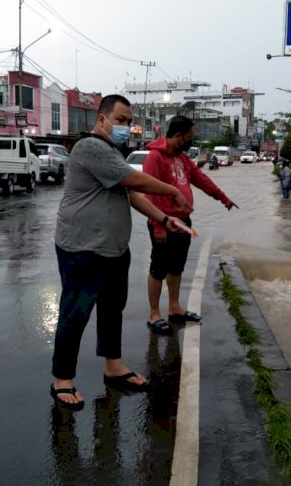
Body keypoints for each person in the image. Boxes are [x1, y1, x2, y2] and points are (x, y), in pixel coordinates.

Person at [51, 95, 188, 410]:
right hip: (82, 248)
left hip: (113, 249)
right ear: (102, 120)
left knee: (112, 310)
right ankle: (62, 379)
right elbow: (133, 179)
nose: (126, 126)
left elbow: (130, 194)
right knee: (75, 314)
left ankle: (113, 367)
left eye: (129, 121)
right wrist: (172, 191)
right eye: (121, 119)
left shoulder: (111, 153)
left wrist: (165, 218)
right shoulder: (90, 147)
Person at [142, 116, 238, 335]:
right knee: (158, 268)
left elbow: (201, 179)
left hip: (183, 222)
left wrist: (222, 198)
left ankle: (175, 307)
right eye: (189, 137)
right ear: (178, 136)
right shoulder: (155, 158)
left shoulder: (182, 158)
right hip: (164, 221)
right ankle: (154, 314)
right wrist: (158, 225)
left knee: (176, 267)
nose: (190, 141)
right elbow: (149, 194)